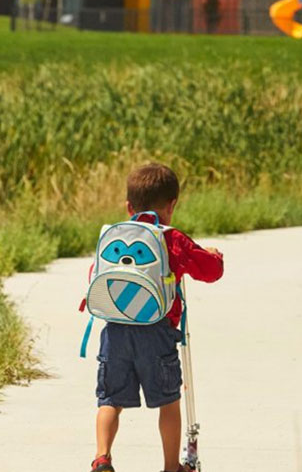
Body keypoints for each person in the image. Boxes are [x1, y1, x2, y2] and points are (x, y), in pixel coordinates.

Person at [90, 163, 224, 472]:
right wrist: (214, 255)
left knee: (110, 400)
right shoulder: (172, 238)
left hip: (115, 332)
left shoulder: (115, 236)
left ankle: (101, 457)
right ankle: (170, 467)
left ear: (128, 206)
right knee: (167, 401)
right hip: (157, 333)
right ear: (172, 205)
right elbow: (210, 271)